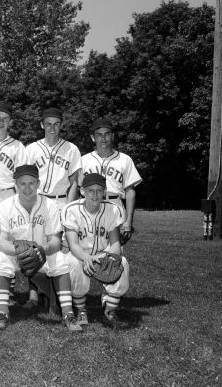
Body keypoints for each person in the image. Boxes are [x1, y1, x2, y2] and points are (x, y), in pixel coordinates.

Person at [0, 165, 82, 331]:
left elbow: (55, 241)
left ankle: (68, 314)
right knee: (0, 259)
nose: (27, 188)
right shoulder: (5, 206)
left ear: (38, 183)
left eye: (31, 183)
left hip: (43, 255)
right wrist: (20, 251)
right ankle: (3, 313)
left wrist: (41, 250)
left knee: (61, 259)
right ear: (15, 185)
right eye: (22, 184)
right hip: (16, 255)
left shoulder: (50, 205)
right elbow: (1, 242)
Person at [24, 107, 82, 310]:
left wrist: (69, 206)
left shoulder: (71, 149)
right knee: (35, 245)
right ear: (42, 125)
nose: (52, 128)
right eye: (48, 124)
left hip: (60, 201)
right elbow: (26, 180)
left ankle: (55, 297)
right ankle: (35, 294)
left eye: (56, 124)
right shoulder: (31, 149)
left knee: (58, 247)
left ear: (61, 125)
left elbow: (75, 182)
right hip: (38, 200)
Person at [62, 173, 130, 327]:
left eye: (99, 190)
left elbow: (115, 243)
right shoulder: (70, 209)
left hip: (102, 253)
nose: (95, 194)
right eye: (90, 190)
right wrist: (86, 258)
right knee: (73, 263)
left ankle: (110, 310)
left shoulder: (113, 209)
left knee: (122, 262)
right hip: (79, 253)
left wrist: (111, 258)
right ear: (82, 191)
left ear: (104, 192)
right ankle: (81, 310)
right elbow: (73, 244)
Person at [81, 117, 142, 245]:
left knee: (115, 252)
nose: (103, 138)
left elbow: (130, 191)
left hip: (115, 206)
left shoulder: (125, 159)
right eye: (99, 135)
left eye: (107, 134)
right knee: (89, 247)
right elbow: (78, 190)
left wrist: (128, 221)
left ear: (112, 136)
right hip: (90, 206)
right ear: (93, 137)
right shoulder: (84, 160)